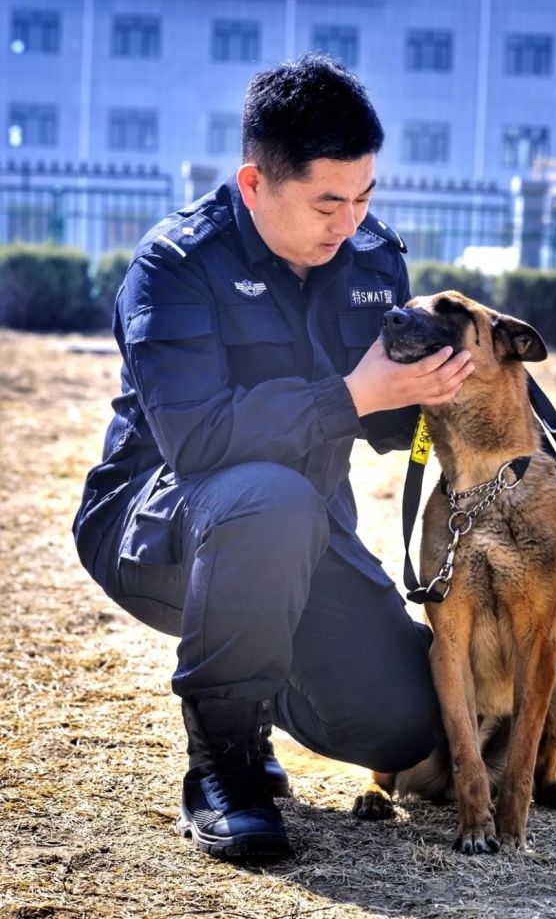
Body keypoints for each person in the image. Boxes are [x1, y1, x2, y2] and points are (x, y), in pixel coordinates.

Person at [73, 54, 474, 861]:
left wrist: (445, 394)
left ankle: (253, 667)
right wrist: (351, 395)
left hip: (307, 533)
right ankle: (224, 764)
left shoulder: (369, 259)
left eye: (364, 197)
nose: (350, 221)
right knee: (267, 499)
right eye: (328, 201)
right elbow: (199, 440)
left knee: (399, 724)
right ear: (254, 184)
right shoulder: (175, 264)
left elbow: (390, 423)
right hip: (160, 528)